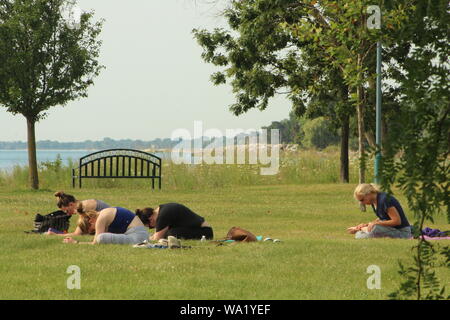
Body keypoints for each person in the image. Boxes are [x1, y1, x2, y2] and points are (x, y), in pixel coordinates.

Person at [348, 183, 412, 239]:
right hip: (391, 229)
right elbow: (383, 218)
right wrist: (366, 225)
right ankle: (364, 231)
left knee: (375, 228)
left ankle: (362, 230)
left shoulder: (385, 200)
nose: (362, 203)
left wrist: (374, 224)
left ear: (369, 194)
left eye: (362, 200)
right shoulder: (374, 202)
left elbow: (397, 221)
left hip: (403, 232)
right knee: (360, 235)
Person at [63, 207, 149, 245]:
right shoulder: (105, 212)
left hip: (137, 237)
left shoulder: (100, 219)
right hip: (140, 235)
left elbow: (96, 243)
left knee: (101, 237)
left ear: (91, 221)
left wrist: (76, 242)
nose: (94, 231)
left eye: (91, 230)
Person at [136, 202, 213, 241]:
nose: (152, 227)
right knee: (169, 233)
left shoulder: (162, 216)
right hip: (204, 230)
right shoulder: (162, 209)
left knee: (170, 234)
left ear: (150, 219)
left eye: (150, 226)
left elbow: (156, 238)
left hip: (204, 232)